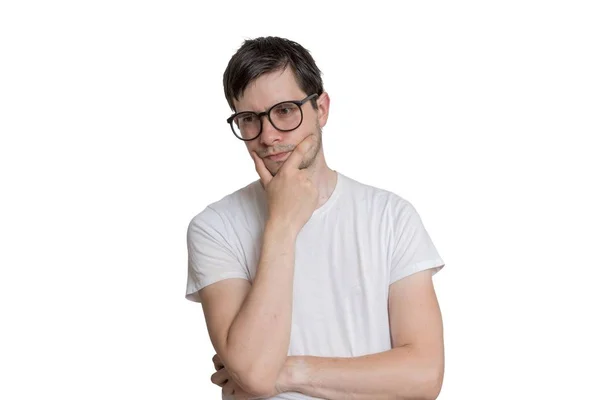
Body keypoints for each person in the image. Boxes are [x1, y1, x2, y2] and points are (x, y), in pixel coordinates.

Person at [185, 36, 446, 400]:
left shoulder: (391, 217)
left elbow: (423, 376)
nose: (270, 136)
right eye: (249, 119)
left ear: (321, 108)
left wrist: (289, 369)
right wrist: (282, 222)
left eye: (285, 110)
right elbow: (256, 375)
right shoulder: (214, 227)